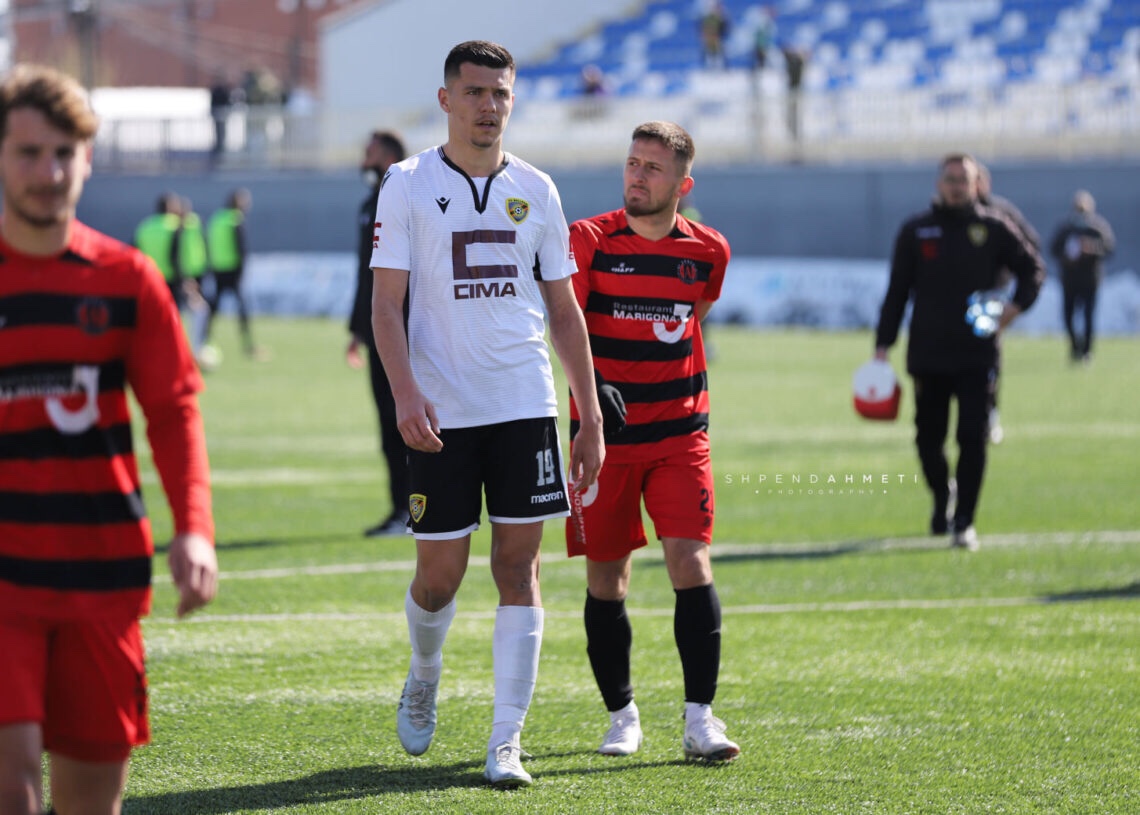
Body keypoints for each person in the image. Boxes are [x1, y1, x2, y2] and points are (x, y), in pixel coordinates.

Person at [369, 40, 605, 789]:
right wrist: (406, 392)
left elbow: (564, 311)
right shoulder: (407, 183)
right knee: (440, 577)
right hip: (441, 410)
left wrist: (588, 413)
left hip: (524, 403)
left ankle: (507, 741)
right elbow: (385, 304)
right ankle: (424, 669)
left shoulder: (537, 188)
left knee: (518, 567)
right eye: (474, 92)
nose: (488, 106)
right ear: (446, 100)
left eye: (500, 93)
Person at [0, 63, 218, 815]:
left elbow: (174, 411)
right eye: (29, 153)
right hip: (4, 575)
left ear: (87, 159)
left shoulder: (127, 279)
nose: (48, 172)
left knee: (92, 798)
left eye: (64, 153)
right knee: (11, 780)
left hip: (103, 572)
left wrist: (194, 528)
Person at [565, 121, 739, 763]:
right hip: (602, 441)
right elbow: (565, 325)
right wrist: (594, 392)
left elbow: (693, 316)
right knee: (607, 578)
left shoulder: (710, 251)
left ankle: (701, 720)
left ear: (682, 185)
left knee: (691, 564)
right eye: (632, 163)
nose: (637, 176)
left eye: (653, 168)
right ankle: (622, 717)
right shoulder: (587, 240)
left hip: (680, 435)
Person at [873, 153, 1044, 551]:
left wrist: (1014, 308)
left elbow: (1033, 269)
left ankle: (965, 521)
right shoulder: (917, 230)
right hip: (928, 353)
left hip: (977, 353)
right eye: (949, 179)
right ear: (939, 184)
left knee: (973, 436)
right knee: (927, 440)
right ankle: (942, 493)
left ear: (975, 184)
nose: (955, 186)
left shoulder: (994, 226)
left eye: (962, 180)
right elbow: (897, 291)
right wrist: (882, 346)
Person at [349, 130, 409, 537]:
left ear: (388, 157)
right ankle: (400, 508)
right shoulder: (369, 205)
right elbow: (365, 276)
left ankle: (412, 508)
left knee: (403, 420)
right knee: (388, 425)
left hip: (403, 331)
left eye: (369, 153)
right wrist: (357, 328)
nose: (363, 161)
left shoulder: (406, 201)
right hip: (376, 331)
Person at [976, 162, 1040, 444]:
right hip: (952, 297)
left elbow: (1031, 246)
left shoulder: (1000, 214)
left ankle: (989, 414)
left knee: (987, 357)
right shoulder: (947, 215)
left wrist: (1009, 275)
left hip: (990, 295)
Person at [1049, 190, 1115, 364]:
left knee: (1088, 317)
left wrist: (1091, 249)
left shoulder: (1097, 228)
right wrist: (1067, 256)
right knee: (1068, 317)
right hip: (1070, 280)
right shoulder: (1067, 228)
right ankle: (1075, 347)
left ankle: (1086, 351)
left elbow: (1108, 248)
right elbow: (1054, 249)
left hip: (1090, 280)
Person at [204, 187, 264, 360]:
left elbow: (208, 242)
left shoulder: (217, 218)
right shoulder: (235, 219)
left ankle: (204, 339)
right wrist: (242, 270)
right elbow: (241, 247)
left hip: (217, 268)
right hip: (233, 269)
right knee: (242, 308)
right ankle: (248, 344)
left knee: (214, 307)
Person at [134, 191, 184, 308]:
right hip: (170, 277)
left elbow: (135, 252)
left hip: (149, 276)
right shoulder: (175, 225)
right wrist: (182, 278)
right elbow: (175, 256)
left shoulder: (145, 226)